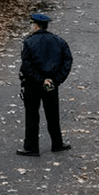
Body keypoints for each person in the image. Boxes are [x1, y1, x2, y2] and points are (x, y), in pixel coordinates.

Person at [17, 13, 73, 157]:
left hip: (32, 85)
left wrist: (40, 79)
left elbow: (27, 67)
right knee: (53, 115)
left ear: (35, 25)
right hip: (52, 84)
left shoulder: (29, 42)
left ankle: (31, 147)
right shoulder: (59, 41)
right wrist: (56, 79)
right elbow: (67, 60)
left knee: (32, 115)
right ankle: (57, 143)